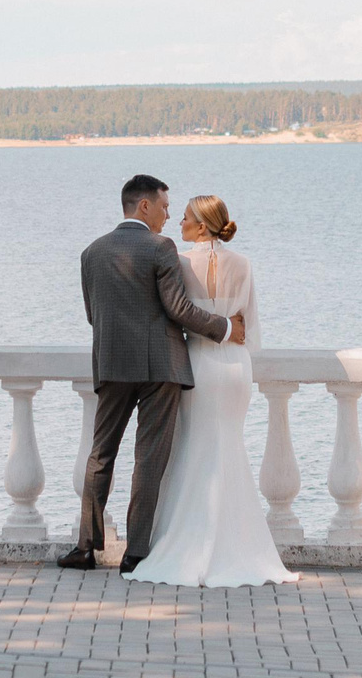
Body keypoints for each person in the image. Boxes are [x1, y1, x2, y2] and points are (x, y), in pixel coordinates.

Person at [62, 174, 247, 573]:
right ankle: (136, 553)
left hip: (112, 364)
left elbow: (93, 316)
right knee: (148, 459)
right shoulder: (160, 248)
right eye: (164, 207)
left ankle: (84, 548)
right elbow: (179, 309)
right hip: (161, 367)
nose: (168, 216)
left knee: (101, 455)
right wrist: (227, 327)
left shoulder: (91, 252)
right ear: (143, 206)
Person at [124, 195, 299, 588]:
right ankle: (238, 545)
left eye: (184, 218)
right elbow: (249, 330)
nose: (178, 223)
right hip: (236, 368)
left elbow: (174, 313)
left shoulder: (181, 260)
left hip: (198, 364)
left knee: (193, 448)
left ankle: (188, 541)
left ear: (201, 226)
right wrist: (230, 330)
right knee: (229, 449)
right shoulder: (245, 264)